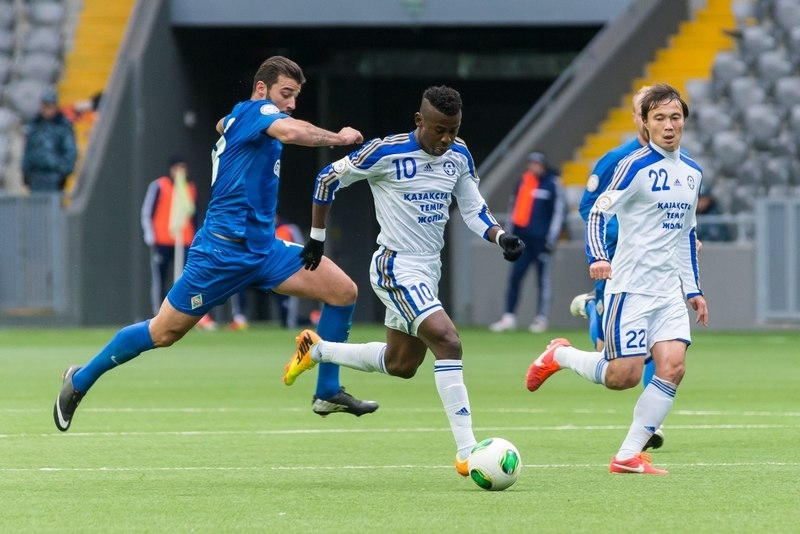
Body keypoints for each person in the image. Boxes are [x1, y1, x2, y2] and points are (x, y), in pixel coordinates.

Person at [53, 55, 377, 432]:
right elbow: (292, 132)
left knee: (343, 292)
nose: (291, 104)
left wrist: (230, 122)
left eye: (295, 97)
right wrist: (338, 138)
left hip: (264, 251)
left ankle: (327, 391)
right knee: (163, 332)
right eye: (285, 94)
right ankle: (79, 380)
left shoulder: (243, 117)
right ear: (262, 89)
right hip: (221, 255)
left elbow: (223, 123)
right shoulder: (258, 111)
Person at [282, 85, 525, 477]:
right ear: (419, 120)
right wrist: (316, 239)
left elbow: (473, 208)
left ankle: (318, 350)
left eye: (453, 130)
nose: (446, 139)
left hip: (428, 269)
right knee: (448, 341)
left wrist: (499, 236)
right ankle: (467, 452)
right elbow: (327, 179)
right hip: (395, 265)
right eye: (439, 130)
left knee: (402, 364)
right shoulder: (385, 152)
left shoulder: (459, 154)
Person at [525, 83, 708, 475]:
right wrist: (598, 257)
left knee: (673, 367)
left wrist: (693, 289)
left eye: (675, 117)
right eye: (660, 118)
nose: (669, 125)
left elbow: (686, 234)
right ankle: (559, 355)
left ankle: (627, 456)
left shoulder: (693, 172)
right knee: (622, 376)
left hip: (668, 293)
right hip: (630, 289)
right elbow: (596, 212)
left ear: (684, 122)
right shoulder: (632, 166)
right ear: (645, 123)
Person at [568, 86, 666, 451]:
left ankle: (651, 424)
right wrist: (615, 240)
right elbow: (588, 206)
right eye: (647, 112)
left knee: (661, 342)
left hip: (658, 266)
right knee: (610, 356)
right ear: (638, 117)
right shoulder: (616, 160)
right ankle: (594, 307)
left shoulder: (678, 160)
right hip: (618, 262)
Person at [489, 151, 565, 333]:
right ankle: (508, 317)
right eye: (531, 163)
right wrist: (509, 235)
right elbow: (513, 209)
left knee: (543, 281)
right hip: (523, 241)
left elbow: (558, 212)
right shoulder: (523, 182)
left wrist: (551, 239)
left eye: (537, 163)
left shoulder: (552, 184)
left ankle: (541, 318)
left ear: (543, 165)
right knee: (515, 277)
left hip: (541, 242)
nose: (533, 167)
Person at [21, 88, 78, 193]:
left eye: (49, 106)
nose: (46, 110)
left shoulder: (63, 126)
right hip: (35, 176)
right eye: (44, 106)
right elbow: (28, 149)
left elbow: (70, 150)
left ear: (55, 107)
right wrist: (25, 171)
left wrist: (64, 171)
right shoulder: (34, 125)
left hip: (54, 176)